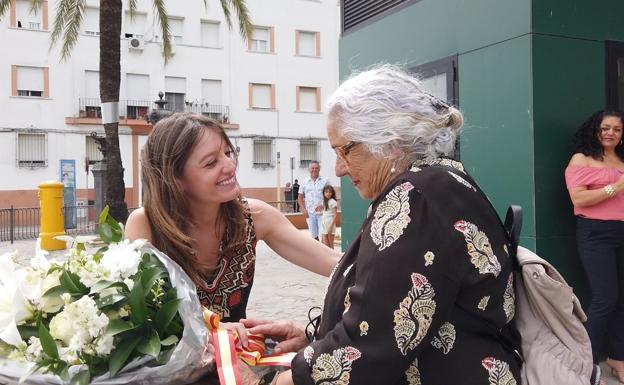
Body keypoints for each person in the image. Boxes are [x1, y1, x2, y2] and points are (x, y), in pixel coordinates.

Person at [242, 65, 521, 385]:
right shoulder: (436, 181)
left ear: (388, 138)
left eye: (343, 150)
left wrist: (273, 381)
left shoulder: (416, 197)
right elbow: (385, 312)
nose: (339, 169)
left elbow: (367, 348)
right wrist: (312, 338)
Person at [125, 113, 341, 331]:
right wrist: (213, 329)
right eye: (211, 163)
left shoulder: (255, 216)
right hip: (176, 364)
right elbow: (143, 314)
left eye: (228, 153)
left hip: (242, 360)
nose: (230, 165)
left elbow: (338, 263)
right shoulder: (146, 225)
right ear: (175, 179)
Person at [564, 109, 624, 382]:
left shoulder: (621, 159)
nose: (611, 133)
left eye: (617, 129)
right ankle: (584, 362)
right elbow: (579, 199)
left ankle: (617, 357)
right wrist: (618, 186)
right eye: (605, 128)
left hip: (622, 231)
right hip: (595, 232)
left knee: (620, 299)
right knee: (605, 297)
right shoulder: (582, 158)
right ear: (595, 130)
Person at [298, 162, 329, 241]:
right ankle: (318, 252)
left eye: (316, 168)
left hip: (323, 213)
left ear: (319, 169)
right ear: (309, 169)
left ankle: (324, 252)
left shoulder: (325, 181)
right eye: (312, 168)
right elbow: (300, 197)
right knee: (313, 236)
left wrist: (323, 205)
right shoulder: (304, 182)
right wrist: (303, 209)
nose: (314, 170)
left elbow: (330, 195)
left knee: (323, 235)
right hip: (310, 214)